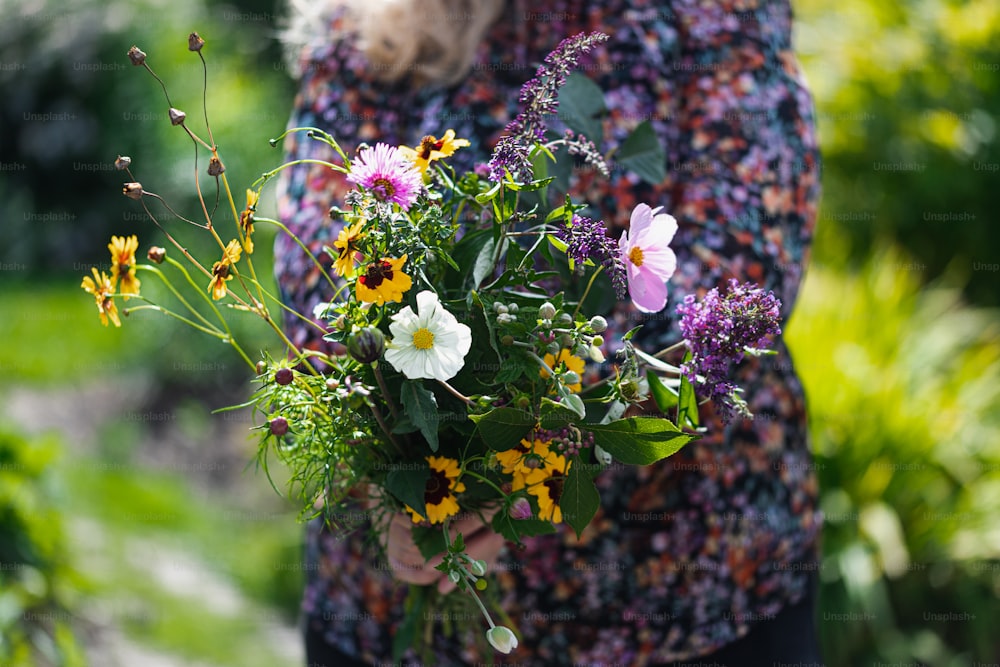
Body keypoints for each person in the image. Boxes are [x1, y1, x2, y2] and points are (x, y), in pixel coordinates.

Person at [275, 0, 823, 664]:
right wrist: (394, 460)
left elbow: (746, 260)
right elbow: (320, 255)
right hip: (391, 591)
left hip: (676, 591)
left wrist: (536, 459)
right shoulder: (366, 22)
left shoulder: (714, 15)